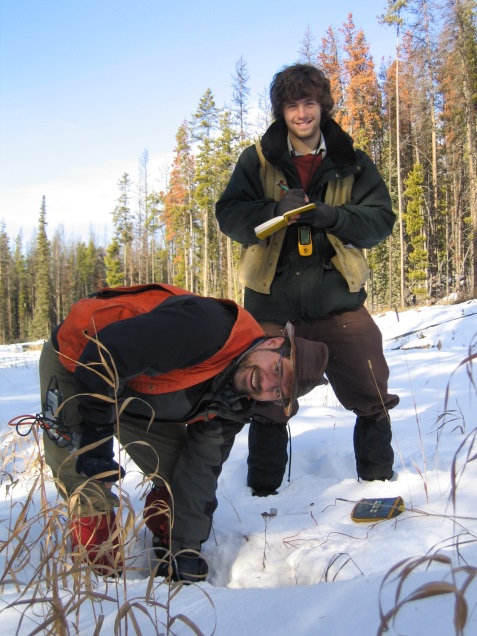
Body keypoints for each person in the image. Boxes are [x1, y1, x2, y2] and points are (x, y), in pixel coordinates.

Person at [39, 282, 328, 582]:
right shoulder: (207, 329)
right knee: (85, 474)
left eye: (278, 393)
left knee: (178, 473)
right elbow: (103, 355)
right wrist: (97, 441)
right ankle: (99, 579)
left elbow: (200, 467)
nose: (267, 384)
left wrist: (185, 550)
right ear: (271, 344)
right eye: (278, 371)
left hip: (132, 389)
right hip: (77, 359)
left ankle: (167, 540)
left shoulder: (237, 400)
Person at [216, 63, 400, 496]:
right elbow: (229, 215)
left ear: (322, 106)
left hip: (338, 299)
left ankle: (377, 485)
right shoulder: (257, 160)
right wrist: (274, 212)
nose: (302, 113)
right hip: (271, 302)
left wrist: (333, 216)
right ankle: (262, 496)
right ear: (281, 111)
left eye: (309, 103)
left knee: (371, 389)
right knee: (265, 398)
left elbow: (380, 221)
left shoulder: (350, 160)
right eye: (292, 105)